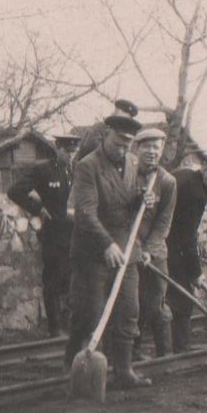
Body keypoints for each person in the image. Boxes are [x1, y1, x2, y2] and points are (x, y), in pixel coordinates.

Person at [64, 113, 153, 387]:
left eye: (128, 143)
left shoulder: (132, 164)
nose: (123, 148)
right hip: (93, 250)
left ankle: (124, 371)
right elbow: (85, 214)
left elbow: (126, 206)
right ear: (105, 137)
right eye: (118, 141)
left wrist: (142, 200)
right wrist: (106, 244)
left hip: (125, 249)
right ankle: (82, 369)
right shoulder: (87, 167)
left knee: (128, 308)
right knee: (92, 312)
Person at [8, 133, 80, 336]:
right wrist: (38, 208)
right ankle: (55, 327)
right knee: (54, 280)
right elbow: (15, 191)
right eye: (67, 151)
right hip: (54, 234)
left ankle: (70, 324)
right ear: (58, 149)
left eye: (74, 152)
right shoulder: (44, 170)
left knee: (73, 280)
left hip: (76, 235)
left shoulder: (80, 170)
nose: (71, 156)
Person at [166, 153, 207, 352]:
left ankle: (155, 345)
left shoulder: (185, 174)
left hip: (161, 240)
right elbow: (188, 238)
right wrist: (195, 273)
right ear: (205, 169)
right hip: (171, 246)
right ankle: (181, 347)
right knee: (183, 297)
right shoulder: (197, 196)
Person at [129, 128, 177, 360]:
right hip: (128, 250)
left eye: (156, 147)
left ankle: (164, 353)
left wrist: (148, 251)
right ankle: (134, 352)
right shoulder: (126, 176)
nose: (151, 151)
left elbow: (163, 223)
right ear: (137, 149)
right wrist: (136, 248)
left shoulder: (167, 182)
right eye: (146, 146)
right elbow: (120, 216)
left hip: (155, 253)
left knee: (157, 304)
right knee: (133, 305)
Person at [74, 98, 140, 163]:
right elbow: (91, 149)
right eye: (119, 117)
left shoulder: (124, 136)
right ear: (114, 113)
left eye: (125, 120)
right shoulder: (98, 128)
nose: (121, 123)